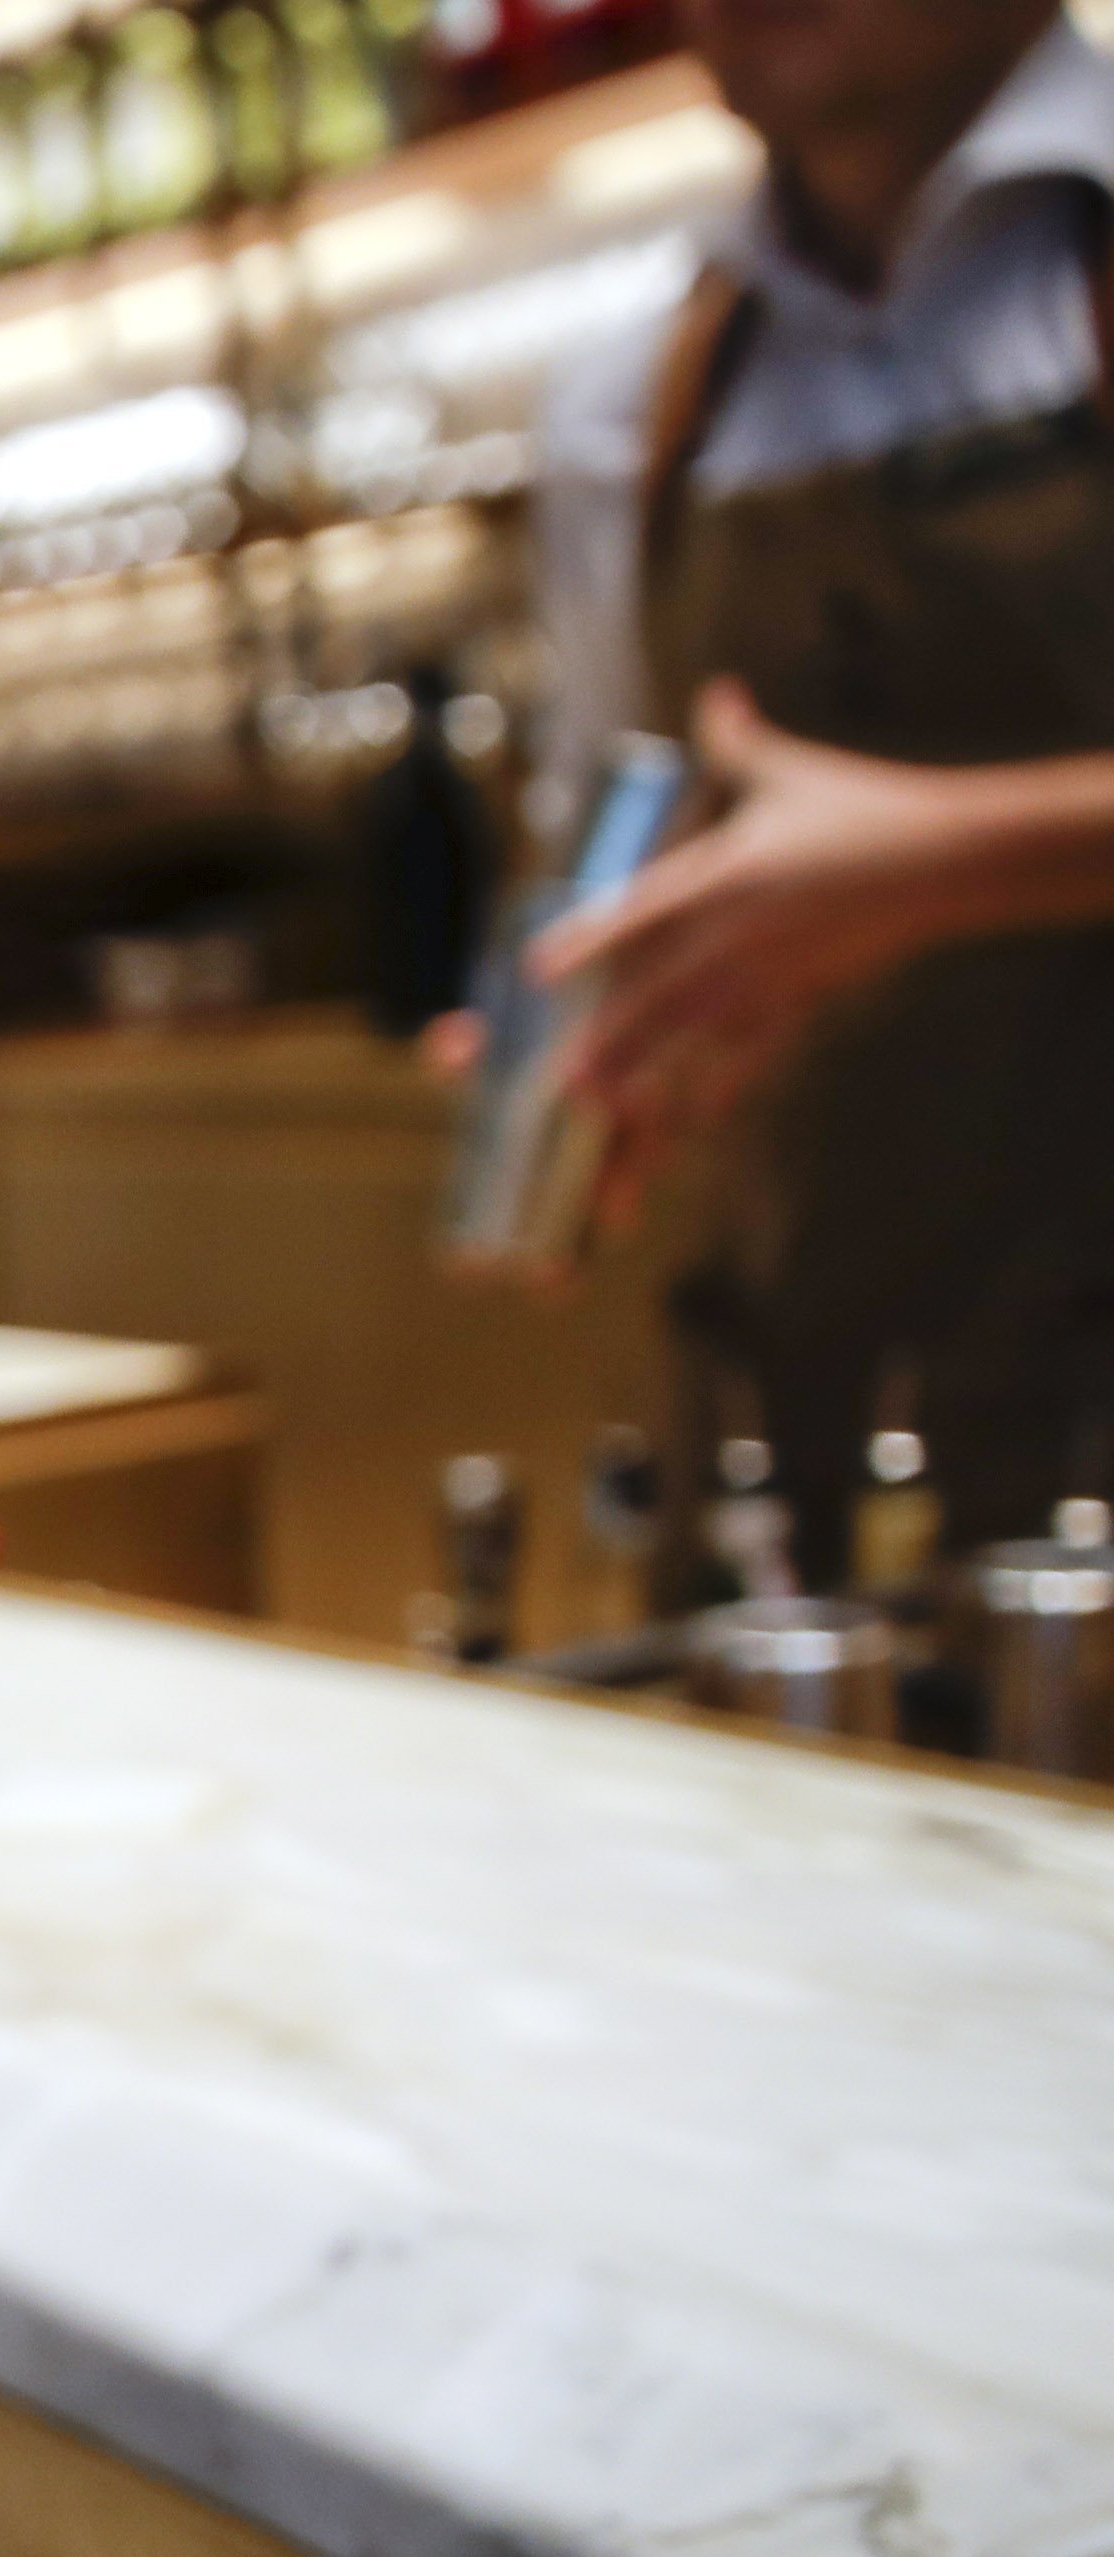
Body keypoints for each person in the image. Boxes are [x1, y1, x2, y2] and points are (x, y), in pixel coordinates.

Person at [527, 0, 1114, 1567]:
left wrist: (950, 861)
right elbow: (609, 833)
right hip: (802, 1446)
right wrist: (596, 1010)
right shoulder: (627, 406)